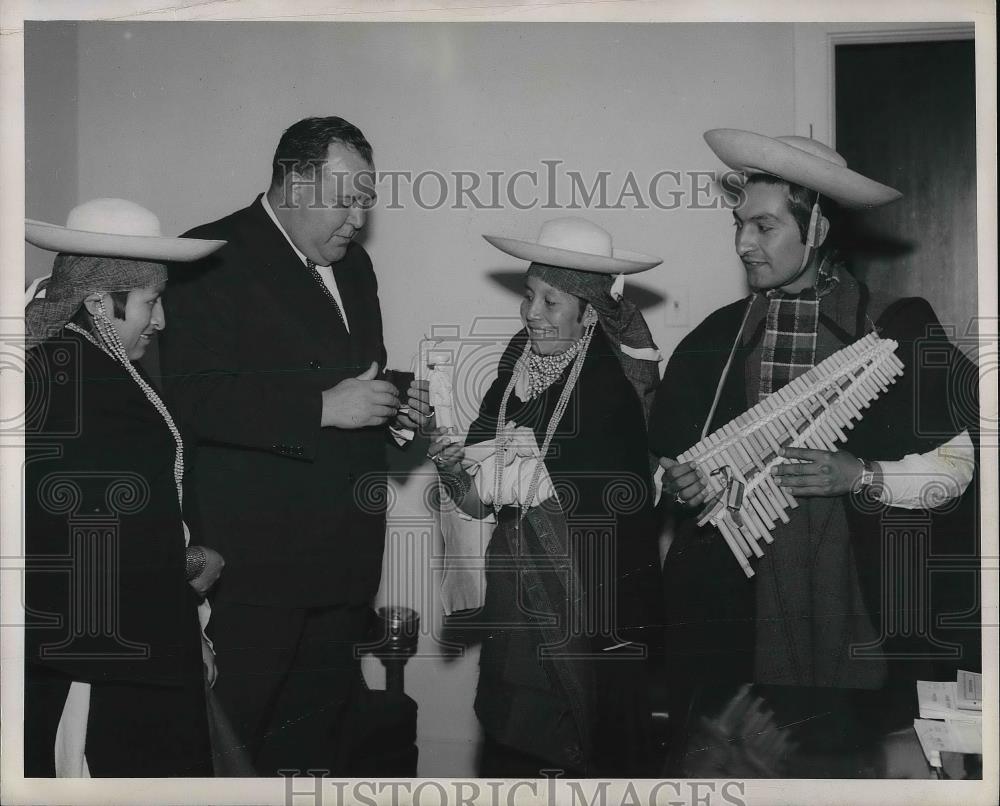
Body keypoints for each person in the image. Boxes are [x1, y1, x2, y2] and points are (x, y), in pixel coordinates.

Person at [649, 130, 979, 695]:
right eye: (739, 225)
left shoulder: (893, 329)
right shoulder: (716, 338)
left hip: (854, 598)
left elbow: (958, 465)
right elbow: (665, 460)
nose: (743, 244)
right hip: (734, 609)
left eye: (764, 226)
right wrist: (677, 484)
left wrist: (863, 475)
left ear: (817, 229)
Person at [158, 116, 431, 775]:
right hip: (254, 577)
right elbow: (192, 396)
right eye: (346, 199)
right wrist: (321, 408)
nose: (359, 219)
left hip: (342, 572)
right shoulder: (211, 253)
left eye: (366, 200)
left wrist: (393, 407)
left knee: (315, 756)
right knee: (232, 753)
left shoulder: (356, 267)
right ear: (293, 183)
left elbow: (352, 372)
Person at [427, 217, 665, 777]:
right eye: (529, 296)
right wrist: (458, 469)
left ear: (588, 315)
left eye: (550, 302)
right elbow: (483, 500)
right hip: (516, 596)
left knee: (584, 750)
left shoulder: (610, 386)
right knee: (518, 741)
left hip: (583, 601)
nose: (531, 313)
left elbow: (616, 514)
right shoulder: (516, 363)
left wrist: (535, 486)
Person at [23, 198, 226, 776]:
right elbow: (105, 551)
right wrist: (190, 584)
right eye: (149, 302)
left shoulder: (59, 364)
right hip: (118, 667)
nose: (160, 321)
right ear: (96, 300)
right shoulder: (95, 394)